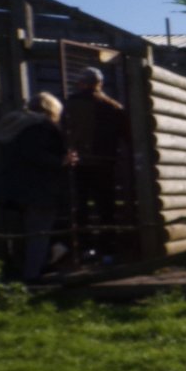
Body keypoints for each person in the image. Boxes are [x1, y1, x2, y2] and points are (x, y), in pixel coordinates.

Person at [0, 92, 70, 281]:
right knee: (39, 235)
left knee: (21, 236)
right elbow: (38, 156)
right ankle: (32, 277)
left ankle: (19, 275)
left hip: (13, 190)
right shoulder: (43, 128)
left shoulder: (14, 127)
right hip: (40, 191)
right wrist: (63, 160)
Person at [63, 66, 129, 259]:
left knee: (79, 208)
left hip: (77, 164)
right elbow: (127, 136)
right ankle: (108, 248)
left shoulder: (69, 104)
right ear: (100, 83)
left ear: (81, 83)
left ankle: (83, 248)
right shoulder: (114, 106)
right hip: (105, 164)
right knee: (106, 207)